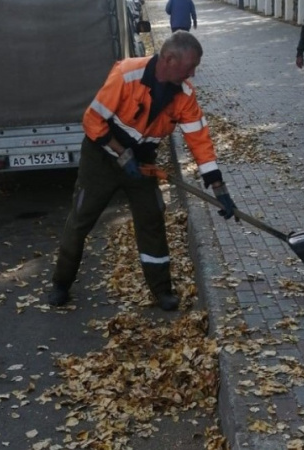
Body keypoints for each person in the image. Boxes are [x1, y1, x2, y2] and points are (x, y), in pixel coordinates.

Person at [48, 31, 236, 311]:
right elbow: (92, 120)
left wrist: (218, 185)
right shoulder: (126, 74)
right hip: (101, 158)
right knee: (81, 218)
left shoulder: (184, 94)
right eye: (189, 66)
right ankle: (61, 283)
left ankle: (162, 290)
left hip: (143, 164)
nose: (192, 73)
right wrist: (122, 154)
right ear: (169, 59)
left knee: (151, 220)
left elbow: (198, 138)